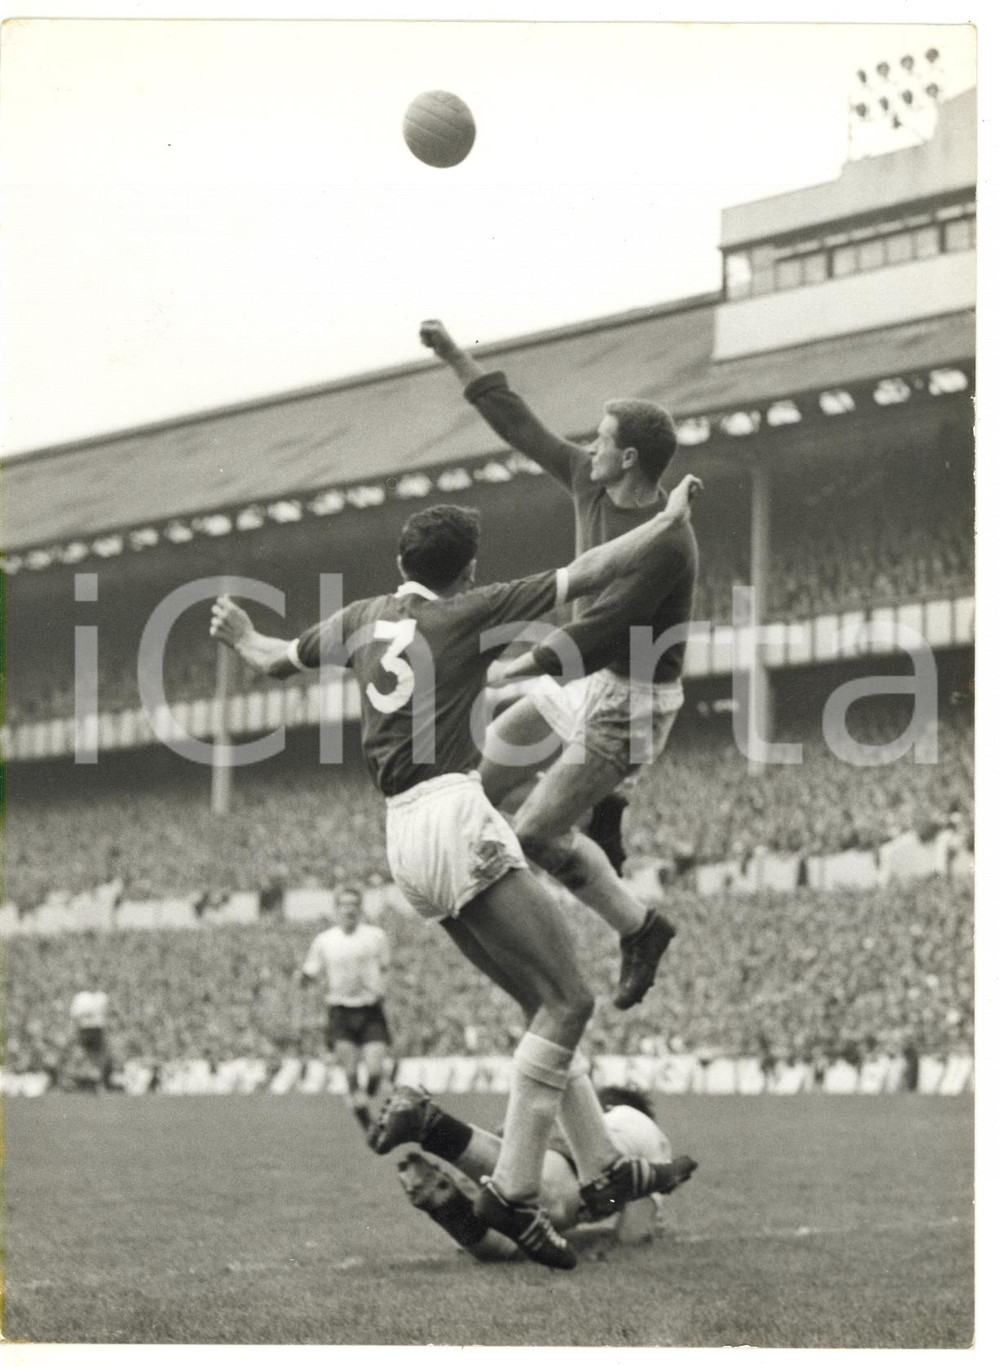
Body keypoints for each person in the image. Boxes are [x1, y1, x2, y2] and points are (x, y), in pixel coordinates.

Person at [210, 481, 699, 1271]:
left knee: (540, 1007)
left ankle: (603, 1165)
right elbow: (590, 568)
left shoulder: (362, 617)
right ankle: (511, 1189)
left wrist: (240, 635)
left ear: (401, 561)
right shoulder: (469, 609)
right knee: (571, 999)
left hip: (402, 839)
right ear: (466, 571)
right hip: (452, 807)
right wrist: (668, 527)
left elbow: (272, 660)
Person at [419, 320, 699, 1011]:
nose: (589, 445)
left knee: (536, 832)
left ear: (627, 457)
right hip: (581, 682)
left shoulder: (670, 543)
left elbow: (606, 629)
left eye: (602, 438)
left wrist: (521, 666)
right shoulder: (588, 480)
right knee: (474, 798)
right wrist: (456, 355)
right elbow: (521, 426)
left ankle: (641, 927)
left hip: (628, 701)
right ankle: (603, 808)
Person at [372, 1083, 697, 1260]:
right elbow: (632, 1235)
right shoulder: (644, 1130)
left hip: (540, 1131)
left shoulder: (601, 1116)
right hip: (581, 1151)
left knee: (510, 1245)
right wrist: (634, 1226)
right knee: (553, 1204)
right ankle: (431, 1125)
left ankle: (449, 1205)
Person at [296, 883, 393, 1131]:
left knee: (374, 1073)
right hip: (340, 1012)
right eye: (344, 905)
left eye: (354, 904)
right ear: (336, 909)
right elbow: (311, 971)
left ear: (360, 908)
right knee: (350, 1076)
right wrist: (303, 979)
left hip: (370, 1010)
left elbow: (385, 969)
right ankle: (368, 1126)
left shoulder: (375, 936)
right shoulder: (325, 941)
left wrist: (382, 989)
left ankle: (362, 1102)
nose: (349, 909)